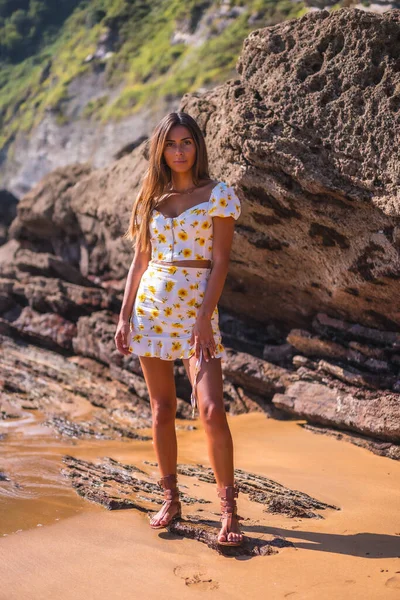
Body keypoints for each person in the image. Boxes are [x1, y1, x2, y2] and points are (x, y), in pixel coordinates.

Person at [114, 111, 243, 547]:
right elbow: (140, 260)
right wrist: (124, 314)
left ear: (198, 146)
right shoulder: (152, 198)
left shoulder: (218, 194)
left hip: (197, 314)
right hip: (150, 312)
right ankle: (170, 497)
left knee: (210, 409)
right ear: (161, 150)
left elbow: (221, 261)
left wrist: (205, 317)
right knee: (161, 409)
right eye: (172, 143)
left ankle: (229, 509)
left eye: (187, 142)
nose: (180, 151)